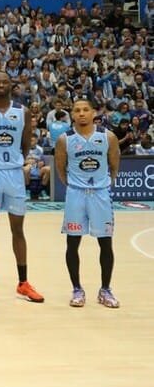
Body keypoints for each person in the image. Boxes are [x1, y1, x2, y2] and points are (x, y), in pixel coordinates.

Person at [0, 71, 45, 303]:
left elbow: (25, 146)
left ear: (11, 85)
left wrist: (14, 164)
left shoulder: (22, 112)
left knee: (18, 230)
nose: (1, 85)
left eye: (5, 81)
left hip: (13, 175)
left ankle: (23, 283)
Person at [55, 98, 121, 308]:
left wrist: (103, 183)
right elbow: (61, 168)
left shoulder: (108, 137)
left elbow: (113, 165)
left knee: (105, 243)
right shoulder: (65, 139)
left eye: (85, 110)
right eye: (77, 110)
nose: (81, 113)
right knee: (73, 242)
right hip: (76, 194)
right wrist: (75, 185)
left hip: (101, 195)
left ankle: (105, 290)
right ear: (72, 114)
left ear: (94, 113)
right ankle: (77, 289)